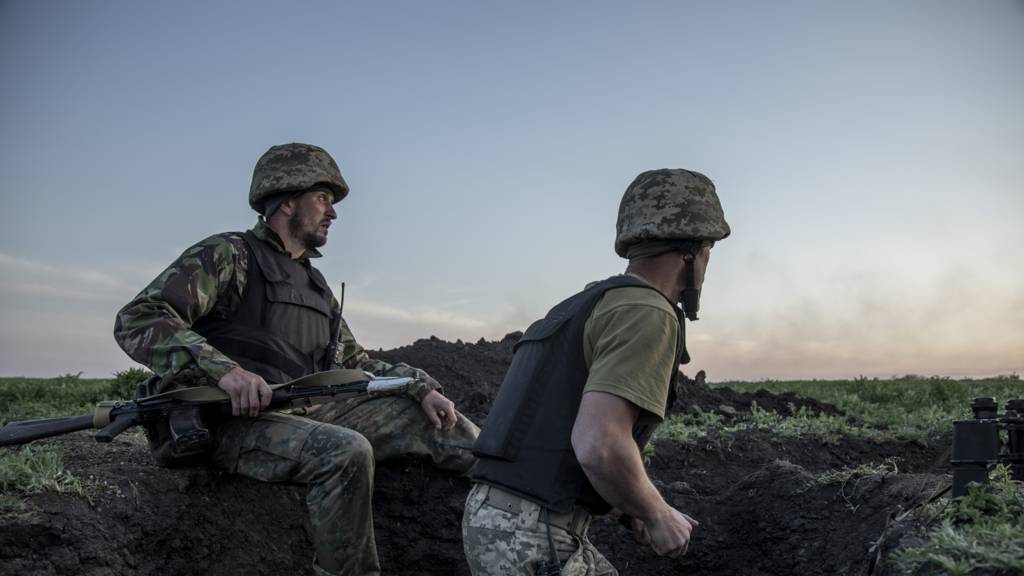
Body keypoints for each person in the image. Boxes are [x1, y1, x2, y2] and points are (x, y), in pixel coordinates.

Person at [114, 142, 479, 576]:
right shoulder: (230, 254)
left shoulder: (316, 285)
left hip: (306, 414)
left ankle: (525, 513)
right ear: (287, 200)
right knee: (345, 451)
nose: (334, 213)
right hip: (231, 423)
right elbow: (139, 318)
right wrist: (225, 371)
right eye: (323, 198)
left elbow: (357, 361)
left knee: (441, 424)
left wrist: (420, 387)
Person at [462, 169, 730, 575]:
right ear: (689, 255)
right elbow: (598, 443)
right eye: (708, 253)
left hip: (498, 517)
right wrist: (658, 515)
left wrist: (632, 509)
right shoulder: (648, 311)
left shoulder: (586, 304)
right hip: (532, 531)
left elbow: (554, 426)